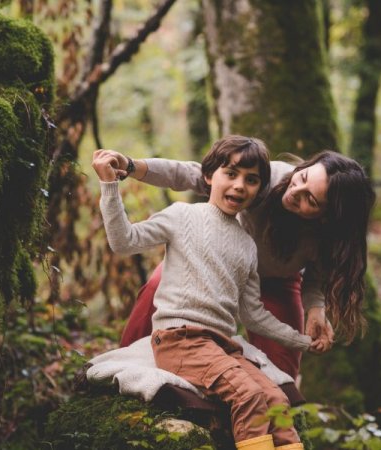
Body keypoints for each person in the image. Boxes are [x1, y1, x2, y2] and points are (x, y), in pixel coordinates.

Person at [92, 135, 320, 450]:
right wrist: (110, 187)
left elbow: (254, 314)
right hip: (180, 340)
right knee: (249, 396)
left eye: (251, 180)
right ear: (209, 176)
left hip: (222, 346)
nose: (240, 185)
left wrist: (301, 341)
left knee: (276, 399)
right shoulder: (181, 216)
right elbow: (124, 240)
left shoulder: (246, 246)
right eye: (231, 174)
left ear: (259, 191)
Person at [99, 146, 376, 379]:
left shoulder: (328, 238)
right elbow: (193, 174)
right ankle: (121, 371)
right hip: (213, 262)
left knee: (283, 365)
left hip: (276, 281)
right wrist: (132, 166)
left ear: (327, 218)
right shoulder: (267, 178)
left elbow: (316, 274)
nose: (295, 191)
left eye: (310, 199)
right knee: (155, 290)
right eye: (302, 177)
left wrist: (316, 307)